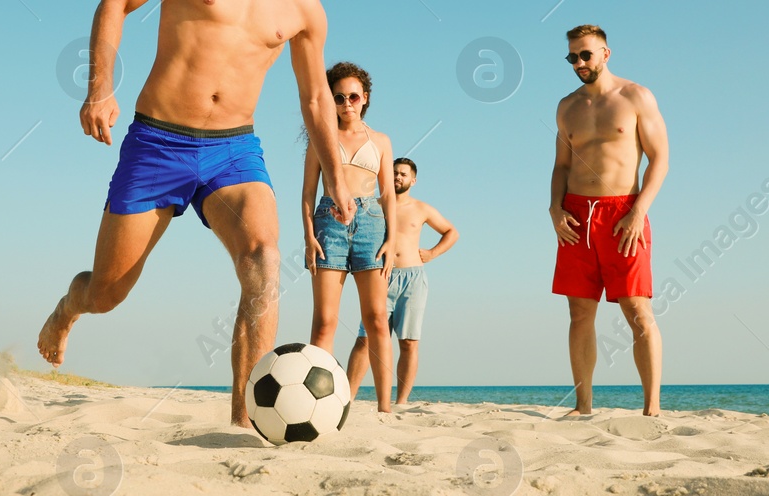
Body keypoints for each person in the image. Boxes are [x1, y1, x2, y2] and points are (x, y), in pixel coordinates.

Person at [37, 0, 355, 429]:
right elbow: (115, 4)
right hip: (158, 142)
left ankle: (245, 421)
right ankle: (66, 311)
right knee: (106, 293)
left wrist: (335, 175)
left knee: (264, 258)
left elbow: (316, 96)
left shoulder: (305, 11)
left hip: (234, 149)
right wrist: (100, 88)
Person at [549, 25, 670, 417]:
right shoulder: (567, 107)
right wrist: (554, 207)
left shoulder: (636, 96)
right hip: (575, 216)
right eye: (572, 57)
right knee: (579, 313)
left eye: (585, 55)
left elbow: (660, 159)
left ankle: (651, 408)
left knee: (638, 312)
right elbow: (561, 165)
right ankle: (583, 406)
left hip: (623, 214)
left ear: (605, 53)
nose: (579, 63)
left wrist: (639, 211)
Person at [302, 62, 400, 412]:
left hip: (372, 225)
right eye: (339, 97)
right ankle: (317, 404)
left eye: (353, 97)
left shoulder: (382, 141)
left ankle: (385, 409)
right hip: (329, 224)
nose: (347, 103)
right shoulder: (320, 139)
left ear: (365, 99)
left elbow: (388, 194)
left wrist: (392, 239)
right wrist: (308, 235)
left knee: (376, 319)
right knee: (325, 320)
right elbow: (307, 194)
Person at [346, 157, 457, 405]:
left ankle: (401, 402)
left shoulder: (422, 208)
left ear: (413, 180)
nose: (397, 177)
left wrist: (432, 253)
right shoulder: (373, 206)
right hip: (380, 276)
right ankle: (348, 398)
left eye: (403, 174)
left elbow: (452, 232)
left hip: (413, 279)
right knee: (365, 339)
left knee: (408, 342)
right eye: (394, 172)